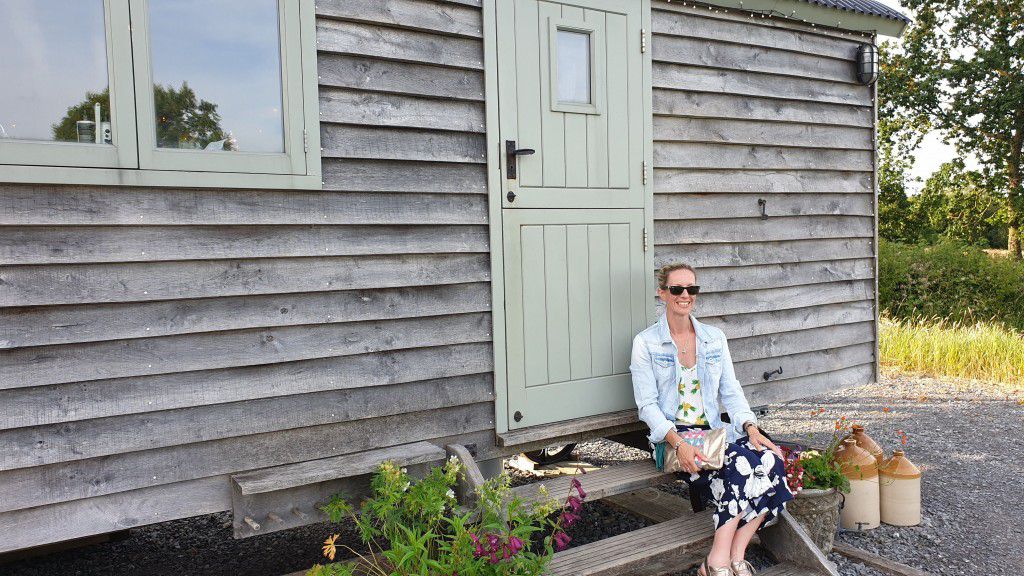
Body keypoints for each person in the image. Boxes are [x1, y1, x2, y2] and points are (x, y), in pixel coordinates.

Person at [630, 263, 793, 576]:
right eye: (677, 289)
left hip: (715, 434)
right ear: (662, 293)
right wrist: (679, 444)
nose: (685, 295)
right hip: (673, 439)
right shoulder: (646, 343)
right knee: (741, 465)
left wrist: (750, 427)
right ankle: (716, 561)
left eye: (692, 288)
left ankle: (736, 553)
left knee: (772, 459)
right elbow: (647, 407)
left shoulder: (714, 338)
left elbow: (731, 391)